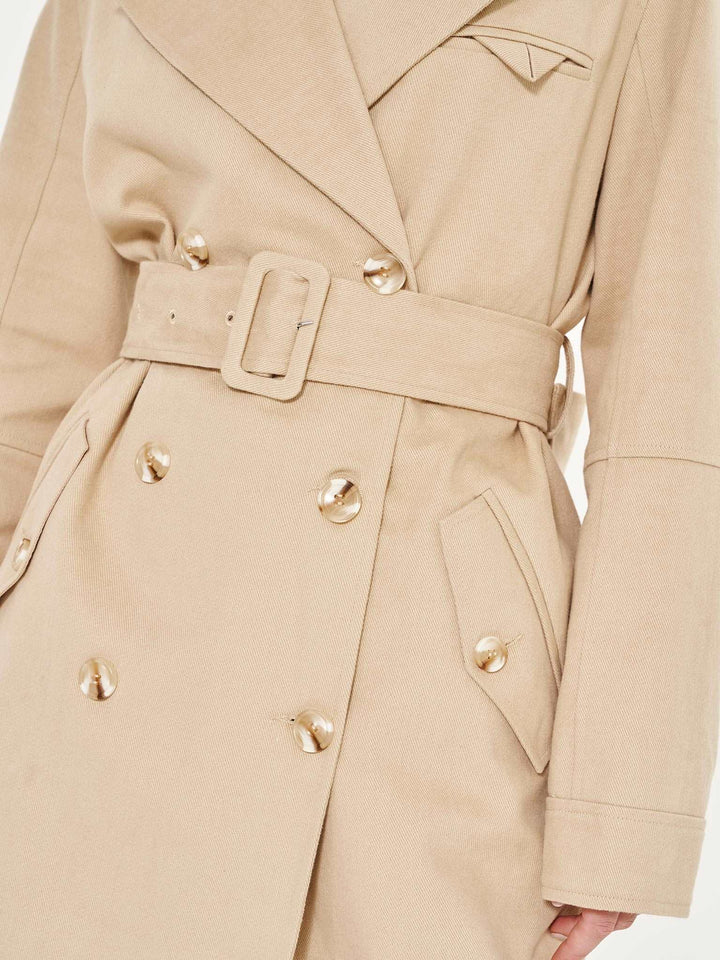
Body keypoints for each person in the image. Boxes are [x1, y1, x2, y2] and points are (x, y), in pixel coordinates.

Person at [0, 1, 717, 958]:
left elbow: (672, 402)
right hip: (105, 610)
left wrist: (619, 809)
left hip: (419, 658)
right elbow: (31, 331)